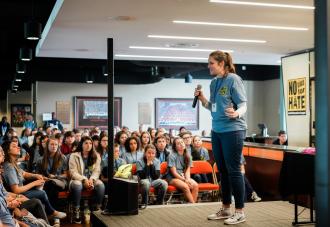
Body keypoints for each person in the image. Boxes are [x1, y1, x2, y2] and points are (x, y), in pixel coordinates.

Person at [195, 50, 247, 224]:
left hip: (233, 131)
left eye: (211, 63)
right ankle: (225, 209)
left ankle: (239, 211)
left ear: (222, 64)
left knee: (234, 170)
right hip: (217, 131)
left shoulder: (234, 79)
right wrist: (202, 99)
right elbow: (214, 107)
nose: (208, 66)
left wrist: (237, 113)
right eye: (208, 63)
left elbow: (243, 105)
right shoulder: (213, 82)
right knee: (222, 171)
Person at [69, 136, 105, 224]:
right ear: (81, 144)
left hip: (92, 179)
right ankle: (76, 211)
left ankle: (97, 210)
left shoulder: (96, 155)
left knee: (101, 185)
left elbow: (97, 171)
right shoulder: (74, 155)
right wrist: (84, 179)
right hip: (78, 179)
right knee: (78, 185)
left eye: (90, 143)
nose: (88, 145)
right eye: (86, 143)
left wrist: (91, 180)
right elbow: (73, 172)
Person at [166, 137, 198, 203]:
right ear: (175, 147)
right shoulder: (171, 156)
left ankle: (191, 204)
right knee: (185, 186)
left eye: (182, 142)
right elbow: (174, 173)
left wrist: (188, 179)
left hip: (184, 176)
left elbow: (187, 171)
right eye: (178, 143)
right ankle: (193, 205)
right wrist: (184, 180)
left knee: (195, 185)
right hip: (172, 177)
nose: (181, 144)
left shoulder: (188, 155)